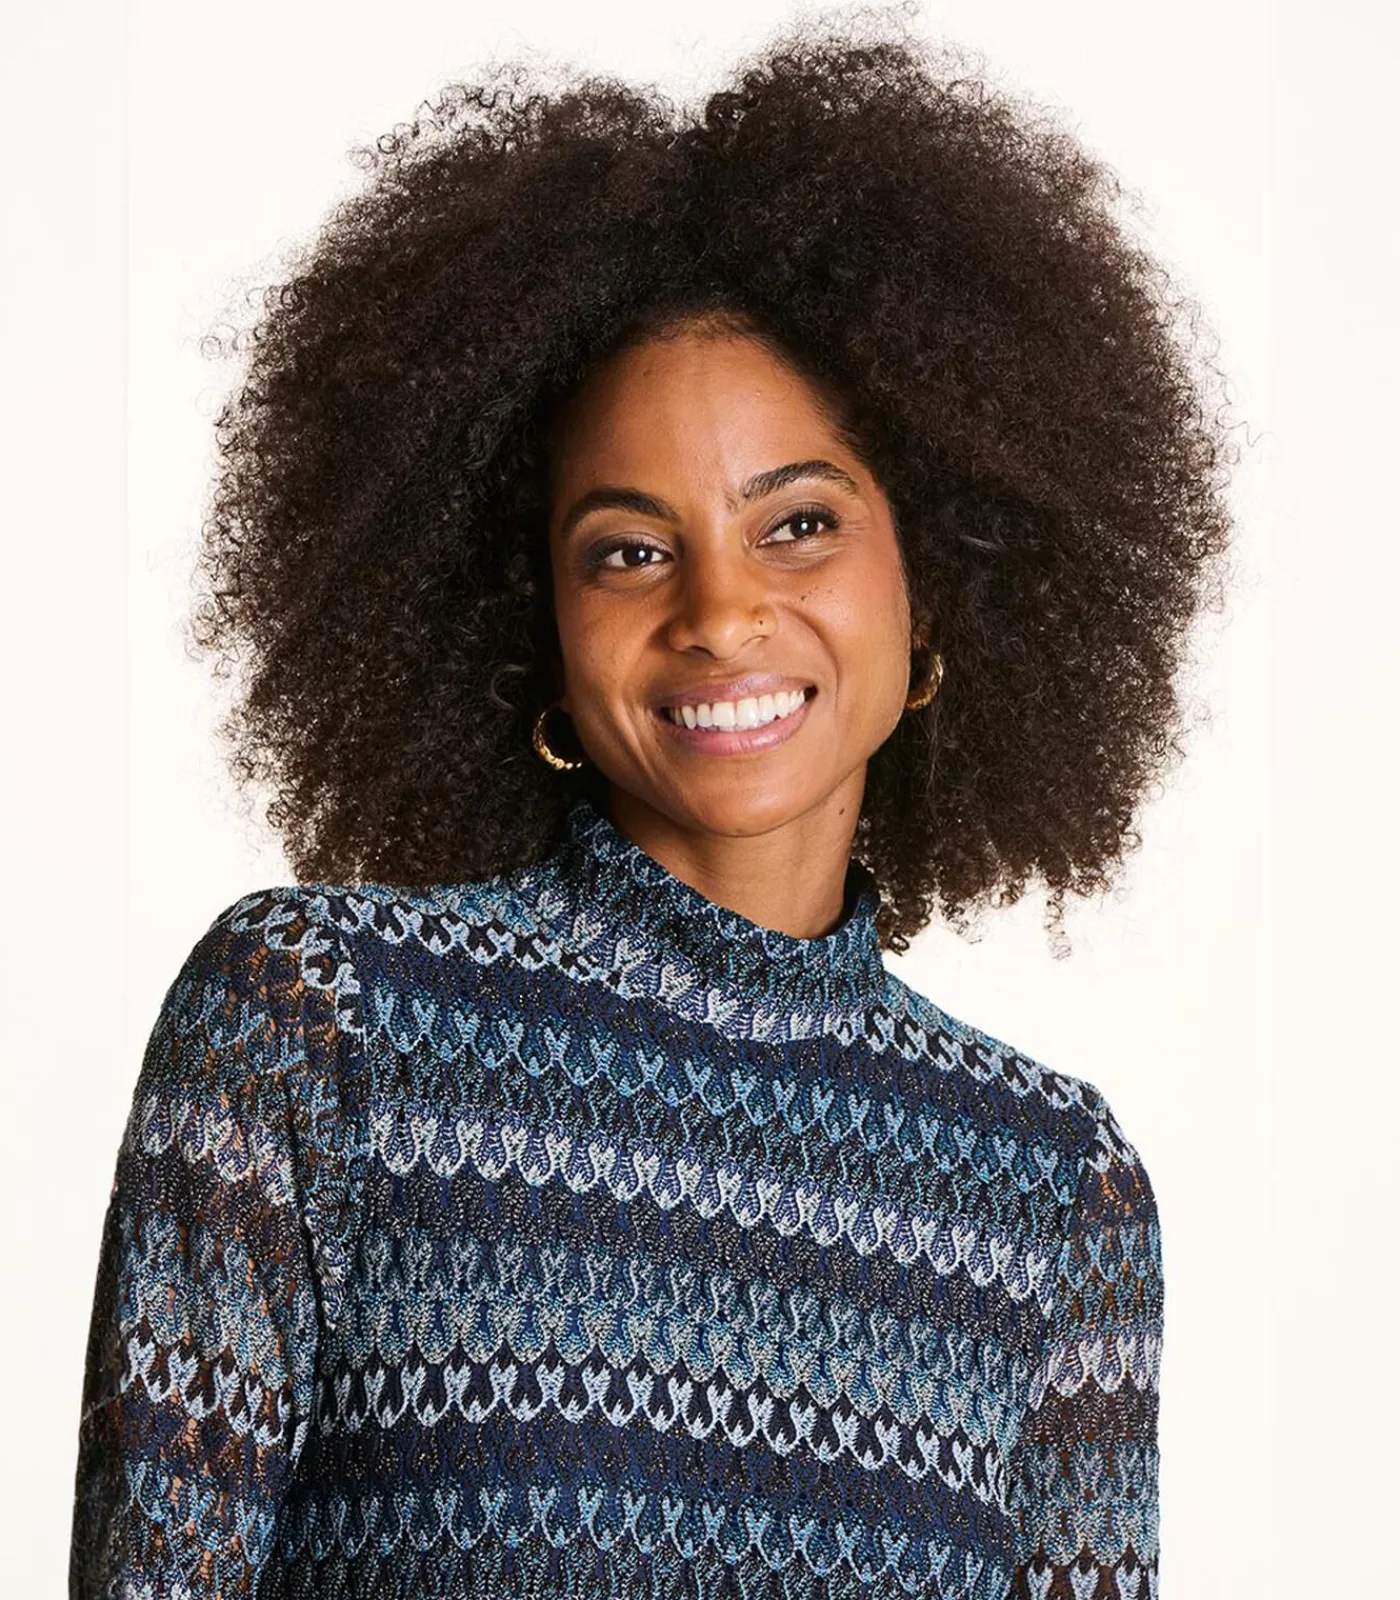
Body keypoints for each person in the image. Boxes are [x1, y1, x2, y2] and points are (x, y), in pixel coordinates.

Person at [70, 15, 1231, 1599]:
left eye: (799, 523)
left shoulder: (1054, 1193)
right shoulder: (315, 1028)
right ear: (531, 622)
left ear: (941, 576)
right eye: (628, 549)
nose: (721, 611)